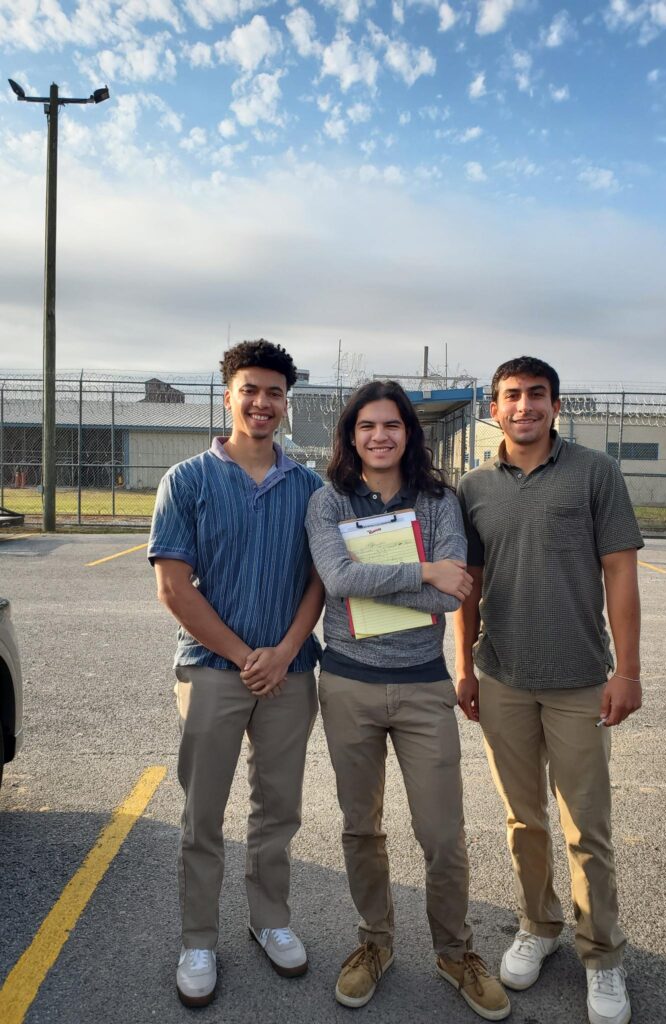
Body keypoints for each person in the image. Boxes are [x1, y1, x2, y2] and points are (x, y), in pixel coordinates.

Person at [305, 380, 510, 1022]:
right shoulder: (327, 501)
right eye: (367, 426)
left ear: (408, 433)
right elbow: (338, 580)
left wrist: (386, 586)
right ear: (351, 435)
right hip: (347, 683)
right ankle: (374, 943)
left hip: (424, 686)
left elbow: (455, 598)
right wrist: (421, 571)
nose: (380, 436)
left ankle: (456, 952)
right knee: (361, 826)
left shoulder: (439, 501)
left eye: (391, 425)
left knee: (442, 834)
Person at [455, 356, 643, 1024]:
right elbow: (466, 586)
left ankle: (603, 955)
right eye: (511, 396)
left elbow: (620, 572)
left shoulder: (596, 474)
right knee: (523, 819)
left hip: (579, 680)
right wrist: (465, 666)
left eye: (537, 395)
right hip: (502, 677)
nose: (524, 406)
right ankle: (538, 924)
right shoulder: (473, 486)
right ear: (493, 408)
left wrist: (628, 671)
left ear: (556, 406)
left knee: (586, 826)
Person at [148, 340, 324, 1007]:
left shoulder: (308, 488)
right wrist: (244, 654)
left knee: (277, 810)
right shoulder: (187, 481)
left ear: (286, 402)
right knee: (203, 814)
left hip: (290, 672)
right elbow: (174, 586)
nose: (261, 402)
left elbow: (318, 581)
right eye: (249, 389)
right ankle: (198, 938)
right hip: (212, 673)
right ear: (227, 394)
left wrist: (281, 651)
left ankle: (270, 920)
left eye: (274, 392)